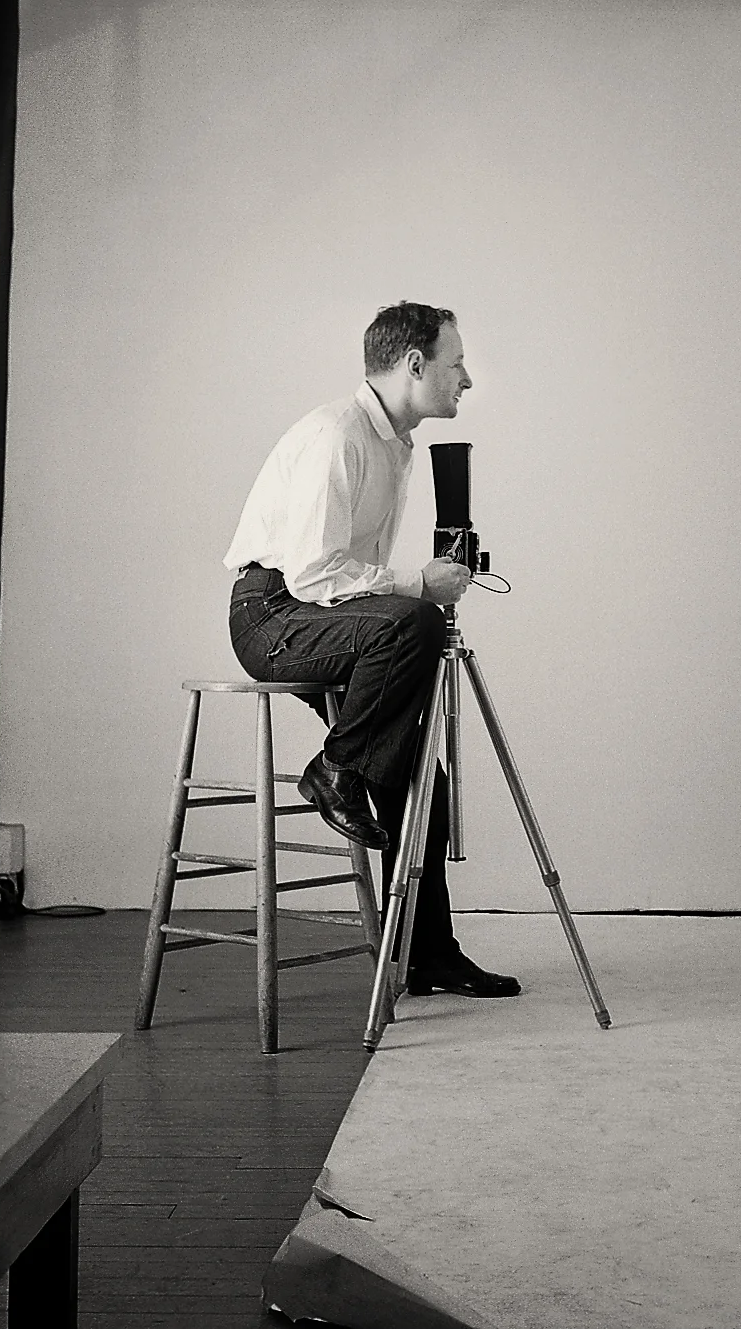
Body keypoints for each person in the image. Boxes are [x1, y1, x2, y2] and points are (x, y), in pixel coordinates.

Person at [223, 302, 520, 999]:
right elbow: (312, 575)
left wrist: (416, 590)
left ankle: (425, 953)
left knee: (420, 778)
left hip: (323, 617)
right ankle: (337, 769)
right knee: (413, 621)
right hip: (272, 615)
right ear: (414, 364)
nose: (467, 380)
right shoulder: (339, 435)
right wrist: (418, 585)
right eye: (456, 363)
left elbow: (351, 583)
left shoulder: (394, 443)